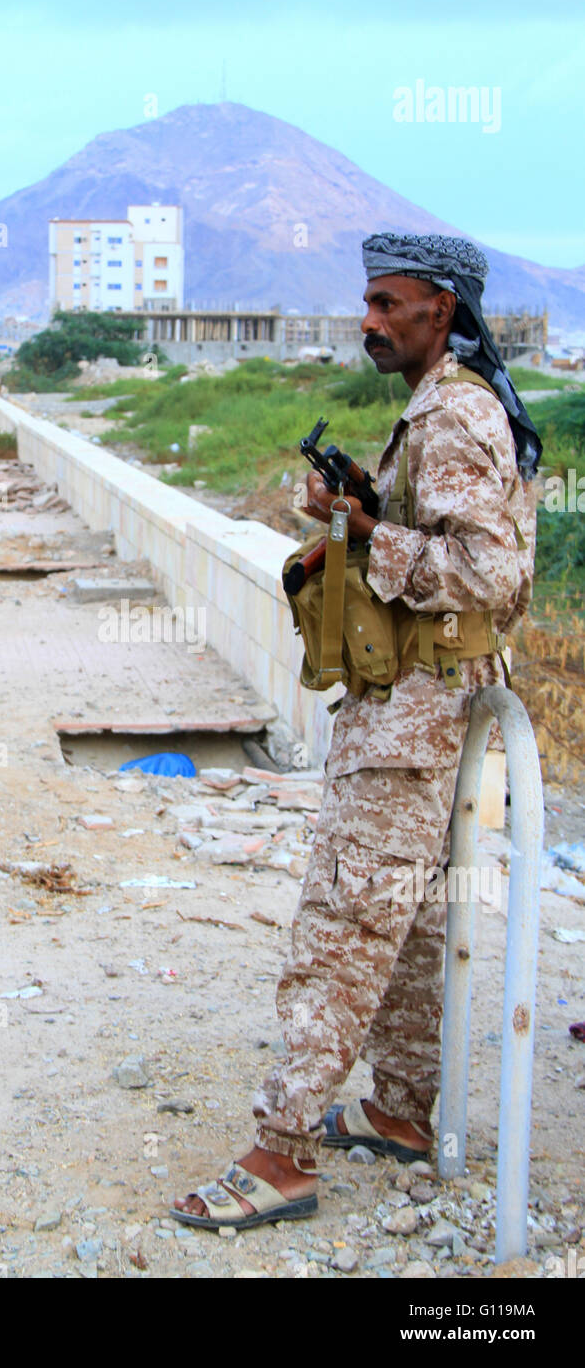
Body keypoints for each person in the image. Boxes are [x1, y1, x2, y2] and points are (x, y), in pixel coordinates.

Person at [172, 233, 540, 1231]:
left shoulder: (454, 411)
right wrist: (365, 510)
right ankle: (398, 1113)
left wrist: (369, 533)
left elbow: (489, 575)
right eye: (364, 302)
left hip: (410, 718)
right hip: (424, 711)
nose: (367, 320)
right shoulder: (444, 404)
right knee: (413, 930)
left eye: (386, 303)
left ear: (441, 310)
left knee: (339, 933)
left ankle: (278, 1155)